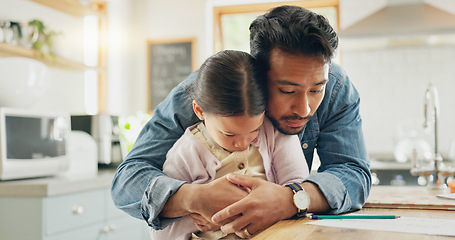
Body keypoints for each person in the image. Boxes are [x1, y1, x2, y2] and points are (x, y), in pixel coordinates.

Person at [111, 4, 371, 239]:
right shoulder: (205, 95)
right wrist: (194, 197)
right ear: (256, 75)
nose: (304, 109)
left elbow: (354, 173)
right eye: (287, 91)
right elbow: (126, 182)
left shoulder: (336, 88)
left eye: (316, 90)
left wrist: (290, 199)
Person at [151, 50, 309, 240]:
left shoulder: (275, 132)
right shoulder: (186, 152)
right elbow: (162, 230)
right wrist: (202, 215)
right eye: (229, 134)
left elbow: (299, 187)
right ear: (200, 111)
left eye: (254, 130)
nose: (242, 144)